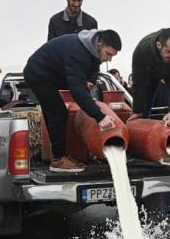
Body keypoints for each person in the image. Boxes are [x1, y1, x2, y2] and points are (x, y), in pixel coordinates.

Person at [24, 29, 120, 172]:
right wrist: (100, 117)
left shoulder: (92, 51)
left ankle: (58, 155)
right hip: (38, 73)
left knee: (54, 111)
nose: (109, 59)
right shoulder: (78, 52)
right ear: (99, 44)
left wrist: (89, 81)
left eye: (113, 56)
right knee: (58, 112)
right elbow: (77, 92)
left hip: (54, 73)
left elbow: (93, 70)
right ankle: (58, 160)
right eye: (108, 54)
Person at [128, 28, 170, 128]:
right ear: (159, 45)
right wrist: (138, 111)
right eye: (169, 52)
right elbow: (139, 84)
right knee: (144, 108)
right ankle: (144, 131)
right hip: (149, 75)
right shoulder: (142, 51)